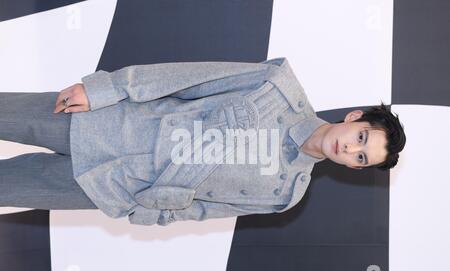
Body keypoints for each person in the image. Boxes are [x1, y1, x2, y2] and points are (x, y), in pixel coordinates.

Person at [0, 57, 406, 225]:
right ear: (355, 118)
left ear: (356, 169)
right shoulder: (275, 87)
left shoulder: (287, 194)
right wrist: (107, 89)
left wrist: (146, 213)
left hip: (111, 185)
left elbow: (203, 210)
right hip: (106, 121)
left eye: (361, 158)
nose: (350, 150)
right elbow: (186, 78)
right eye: (361, 137)